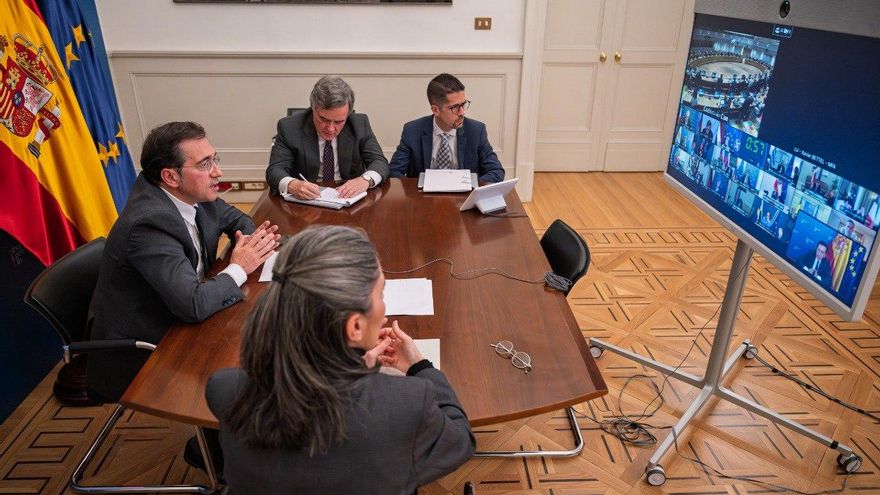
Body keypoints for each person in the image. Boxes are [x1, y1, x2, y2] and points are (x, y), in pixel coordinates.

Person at [206, 226, 475, 494]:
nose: (384, 307)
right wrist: (420, 366)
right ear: (355, 327)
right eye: (381, 295)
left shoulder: (224, 389)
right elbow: (460, 440)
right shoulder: (407, 403)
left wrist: (356, 370)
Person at [87, 121, 280, 403]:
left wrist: (250, 243)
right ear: (171, 177)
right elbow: (192, 305)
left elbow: (238, 219)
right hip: (145, 347)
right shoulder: (148, 223)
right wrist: (239, 266)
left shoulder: (196, 193)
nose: (218, 172)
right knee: (249, 372)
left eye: (215, 159)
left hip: (180, 314)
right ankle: (209, 446)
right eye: (205, 164)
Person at [266, 75, 389, 199]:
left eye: (339, 122)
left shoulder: (360, 124)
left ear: (348, 114)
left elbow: (380, 162)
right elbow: (275, 170)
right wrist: (292, 184)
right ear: (313, 108)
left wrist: (365, 180)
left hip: (347, 199)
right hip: (307, 200)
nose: (330, 128)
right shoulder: (289, 127)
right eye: (323, 119)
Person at [389, 73, 505, 183]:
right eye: (455, 107)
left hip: (463, 198)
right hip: (424, 198)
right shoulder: (412, 131)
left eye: (463, 104)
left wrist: (470, 187)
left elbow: (496, 171)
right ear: (436, 110)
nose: (462, 112)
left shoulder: (476, 130)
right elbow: (394, 172)